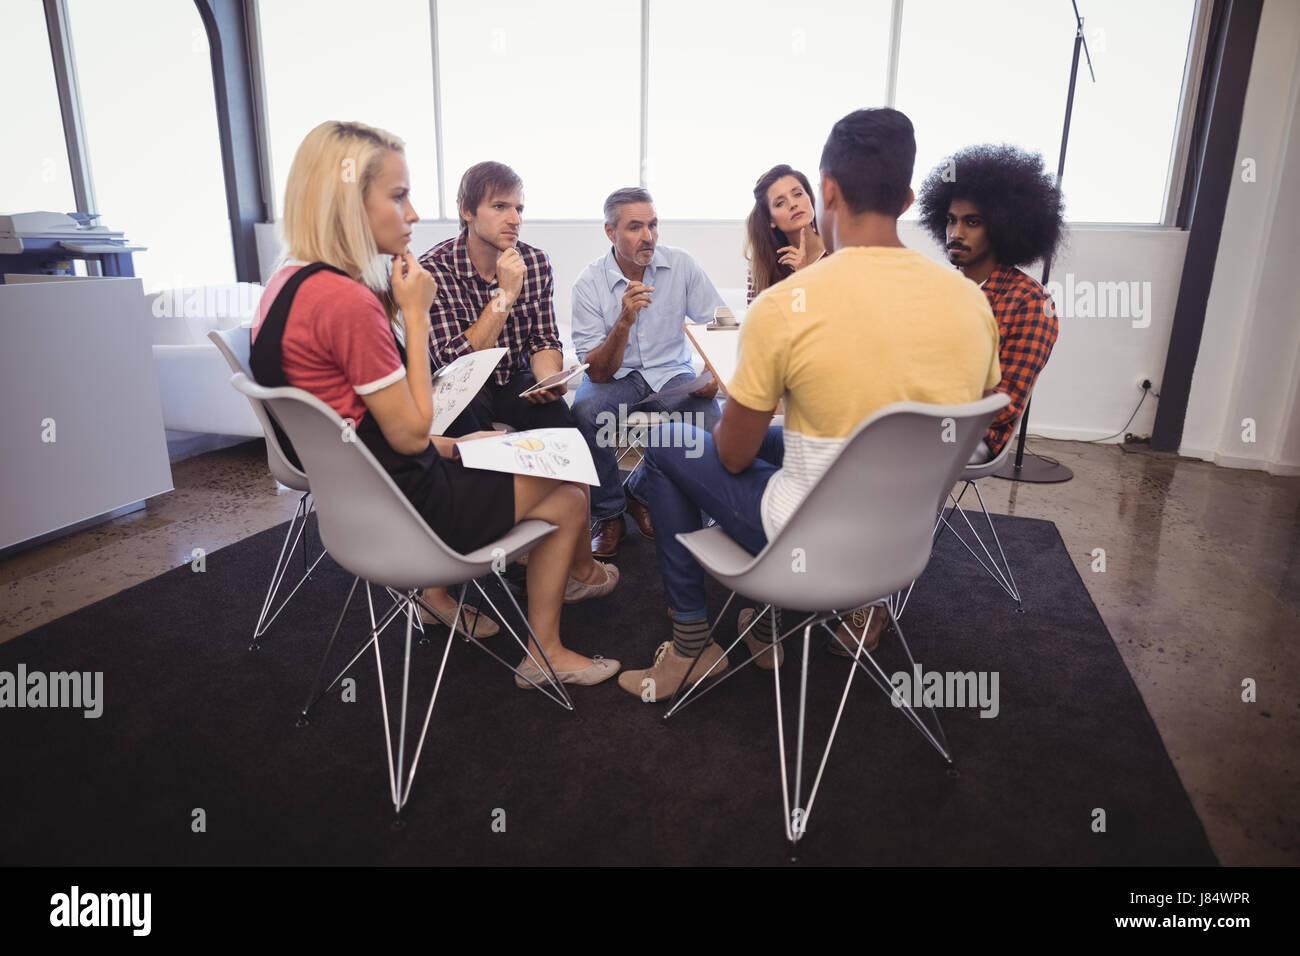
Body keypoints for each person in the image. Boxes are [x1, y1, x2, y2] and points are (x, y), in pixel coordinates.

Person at [618, 108, 1001, 700]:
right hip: (899, 544)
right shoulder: (973, 304)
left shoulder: (787, 303)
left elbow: (736, 456)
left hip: (803, 541)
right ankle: (768, 618)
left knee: (670, 445)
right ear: (907, 197)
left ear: (826, 190)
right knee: (791, 442)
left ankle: (692, 643)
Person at [251, 121, 619, 690]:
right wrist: (415, 315)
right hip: (411, 510)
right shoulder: (348, 302)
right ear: (348, 200)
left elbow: (364, 425)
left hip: (356, 502)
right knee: (569, 495)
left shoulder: (284, 284)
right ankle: (544, 653)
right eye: (398, 196)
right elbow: (409, 429)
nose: (413, 213)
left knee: (524, 442)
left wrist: (453, 444)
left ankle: (540, 594)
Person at [570, 187, 726, 557]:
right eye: (635, 227)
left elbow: (723, 323)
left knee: (710, 424)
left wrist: (711, 373)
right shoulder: (588, 284)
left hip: (672, 373)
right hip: (618, 376)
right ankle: (609, 515)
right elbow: (598, 374)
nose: (649, 236)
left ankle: (637, 490)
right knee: (585, 413)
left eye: (653, 225)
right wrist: (623, 321)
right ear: (611, 232)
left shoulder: (681, 265)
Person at [916, 144, 1064, 461]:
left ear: (1001, 225)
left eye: (972, 222)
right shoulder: (939, 288)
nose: (955, 233)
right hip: (912, 418)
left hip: (969, 435)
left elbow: (1001, 405)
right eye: (950, 220)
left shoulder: (1031, 303)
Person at [418, 162, 575, 437]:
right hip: (460, 387)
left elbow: (544, 340)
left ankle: (586, 482)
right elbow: (453, 364)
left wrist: (548, 379)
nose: (515, 219)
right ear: (466, 211)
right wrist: (505, 294)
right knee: (472, 425)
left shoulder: (536, 263)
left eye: (519, 209)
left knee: (561, 418)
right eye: (500, 207)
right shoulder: (433, 270)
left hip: (512, 380)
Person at [744, 164, 829, 305]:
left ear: (810, 197)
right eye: (780, 203)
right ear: (771, 220)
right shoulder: (762, 268)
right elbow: (758, 324)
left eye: (797, 194)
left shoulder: (839, 252)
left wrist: (804, 274)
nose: (793, 204)